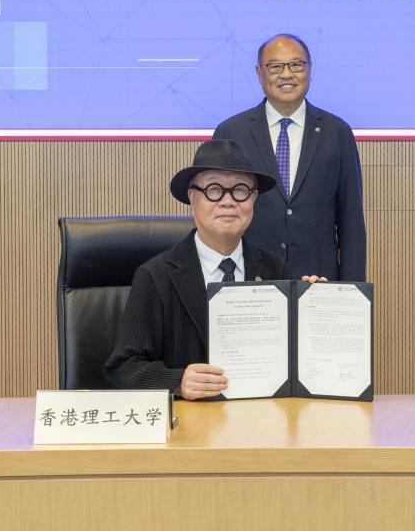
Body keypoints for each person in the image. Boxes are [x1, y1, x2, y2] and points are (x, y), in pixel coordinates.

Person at [104, 139, 284, 399]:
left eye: (240, 189)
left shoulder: (276, 269)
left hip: (260, 415)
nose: (228, 201)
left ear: (253, 198)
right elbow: (123, 367)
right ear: (192, 197)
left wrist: (313, 305)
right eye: (214, 189)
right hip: (191, 419)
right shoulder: (156, 275)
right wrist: (177, 381)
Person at [213, 33, 367, 281]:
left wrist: (352, 291)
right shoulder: (231, 133)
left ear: (310, 69)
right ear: (259, 73)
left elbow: (351, 222)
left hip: (319, 282)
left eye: (296, 65)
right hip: (251, 281)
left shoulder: (337, 132)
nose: (286, 74)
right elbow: (218, 217)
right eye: (275, 66)